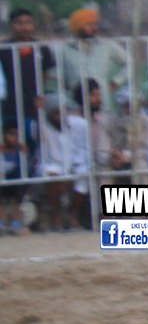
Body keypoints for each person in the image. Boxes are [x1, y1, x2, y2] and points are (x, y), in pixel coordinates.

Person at [35, 91, 90, 231]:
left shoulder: (80, 124)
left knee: (84, 174)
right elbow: (44, 158)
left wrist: (70, 173)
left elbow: (83, 151)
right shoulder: (41, 127)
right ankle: (56, 215)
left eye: (62, 112)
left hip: (75, 165)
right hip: (51, 165)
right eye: (56, 113)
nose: (60, 116)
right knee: (51, 175)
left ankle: (73, 216)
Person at [61, 8, 128, 112]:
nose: (93, 27)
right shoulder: (64, 49)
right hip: (75, 106)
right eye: (88, 24)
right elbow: (54, 71)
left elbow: (130, 63)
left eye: (94, 24)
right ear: (78, 26)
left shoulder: (106, 46)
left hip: (103, 105)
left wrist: (116, 81)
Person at [0, 8, 56, 134]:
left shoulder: (41, 48)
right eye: (19, 23)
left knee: (35, 137)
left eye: (28, 22)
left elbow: (46, 73)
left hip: (34, 104)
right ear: (11, 26)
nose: (24, 27)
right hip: (10, 104)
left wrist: (41, 93)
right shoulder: (4, 48)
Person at [2, 121, 30, 234]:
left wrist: (25, 154)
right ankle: (1, 218)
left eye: (17, 135)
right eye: (11, 134)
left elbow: (26, 169)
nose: (14, 138)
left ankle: (16, 217)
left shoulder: (19, 151)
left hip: (14, 183)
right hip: (2, 184)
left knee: (23, 179)